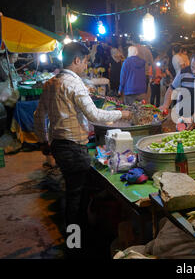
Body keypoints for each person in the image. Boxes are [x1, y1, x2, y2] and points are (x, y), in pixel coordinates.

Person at [33, 42, 131, 257]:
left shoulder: (51, 83)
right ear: (77, 60)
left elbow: (38, 116)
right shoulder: (74, 85)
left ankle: (75, 241)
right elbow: (95, 116)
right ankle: (76, 246)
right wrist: (121, 115)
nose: (86, 65)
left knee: (73, 193)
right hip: (73, 148)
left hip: (59, 146)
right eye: (85, 61)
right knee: (76, 200)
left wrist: (44, 143)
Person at [159, 54, 195, 119]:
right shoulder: (183, 72)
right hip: (183, 114)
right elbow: (171, 89)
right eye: (192, 67)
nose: (194, 71)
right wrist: (165, 105)